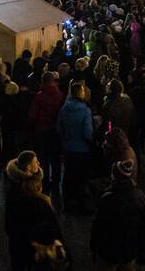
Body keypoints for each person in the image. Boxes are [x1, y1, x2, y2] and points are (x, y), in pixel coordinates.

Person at [91, 160, 145, 271]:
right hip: (129, 251)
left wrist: (94, 246)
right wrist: (143, 251)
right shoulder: (141, 199)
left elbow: (98, 227)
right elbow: (144, 230)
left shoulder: (107, 199)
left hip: (109, 251)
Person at [56, 83, 93, 214]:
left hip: (68, 147)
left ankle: (67, 202)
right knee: (81, 176)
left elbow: (59, 128)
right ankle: (81, 204)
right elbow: (87, 132)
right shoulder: (85, 111)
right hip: (82, 148)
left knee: (68, 175)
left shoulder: (64, 109)